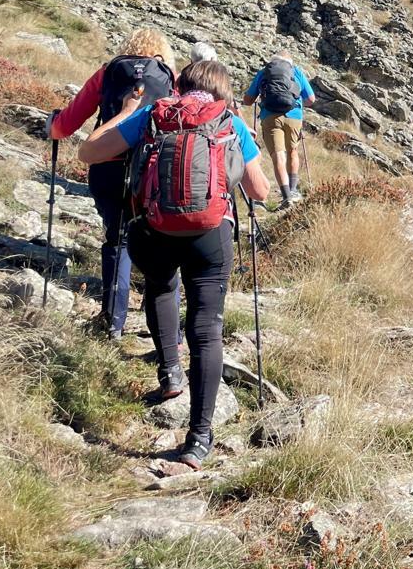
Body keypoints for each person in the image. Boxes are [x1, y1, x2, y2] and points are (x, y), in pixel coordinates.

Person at [78, 60, 269, 468]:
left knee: (161, 288)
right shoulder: (229, 121)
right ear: (223, 90)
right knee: (205, 328)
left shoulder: (154, 113)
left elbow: (89, 152)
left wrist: (128, 111)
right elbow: (261, 191)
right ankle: (198, 438)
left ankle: (169, 375)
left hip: (155, 227)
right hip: (211, 234)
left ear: (179, 85)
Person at [50, 28, 176, 338]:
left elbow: (64, 127)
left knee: (117, 240)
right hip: (153, 170)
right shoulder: (170, 77)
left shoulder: (108, 72)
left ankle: (111, 324)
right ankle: (163, 332)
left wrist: (52, 123)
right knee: (159, 244)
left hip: (108, 167)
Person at [242, 50, 315, 206]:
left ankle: (287, 197)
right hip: (294, 117)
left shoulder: (264, 73)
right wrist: (296, 101)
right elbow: (311, 99)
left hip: (270, 117)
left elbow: (248, 100)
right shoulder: (296, 72)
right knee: (292, 151)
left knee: (278, 156)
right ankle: (293, 190)